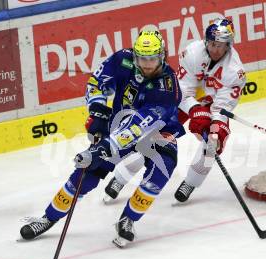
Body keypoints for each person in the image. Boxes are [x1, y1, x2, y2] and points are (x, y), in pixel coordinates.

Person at [19, 30, 184, 247]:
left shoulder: (167, 86)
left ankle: (128, 219)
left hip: (156, 131)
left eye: (152, 58)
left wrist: (106, 146)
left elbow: (138, 126)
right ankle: (48, 217)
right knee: (87, 171)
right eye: (142, 58)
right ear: (135, 55)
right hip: (118, 123)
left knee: (163, 167)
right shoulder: (123, 59)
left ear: (162, 56)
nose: (147, 64)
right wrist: (97, 111)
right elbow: (97, 82)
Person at [103, 18, 246, 203]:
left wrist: (215, 125)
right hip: (184, 100)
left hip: (212, 104)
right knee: (152, 136)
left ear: (229, 45)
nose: (215, 49)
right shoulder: (192, 53)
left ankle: (191, 182)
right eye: (212, 43)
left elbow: (223, 105)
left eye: (220, 45)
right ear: (206, 41)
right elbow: (182, 91)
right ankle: (120, 178)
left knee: (212, 145)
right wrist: (195, 110)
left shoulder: (235, 71)